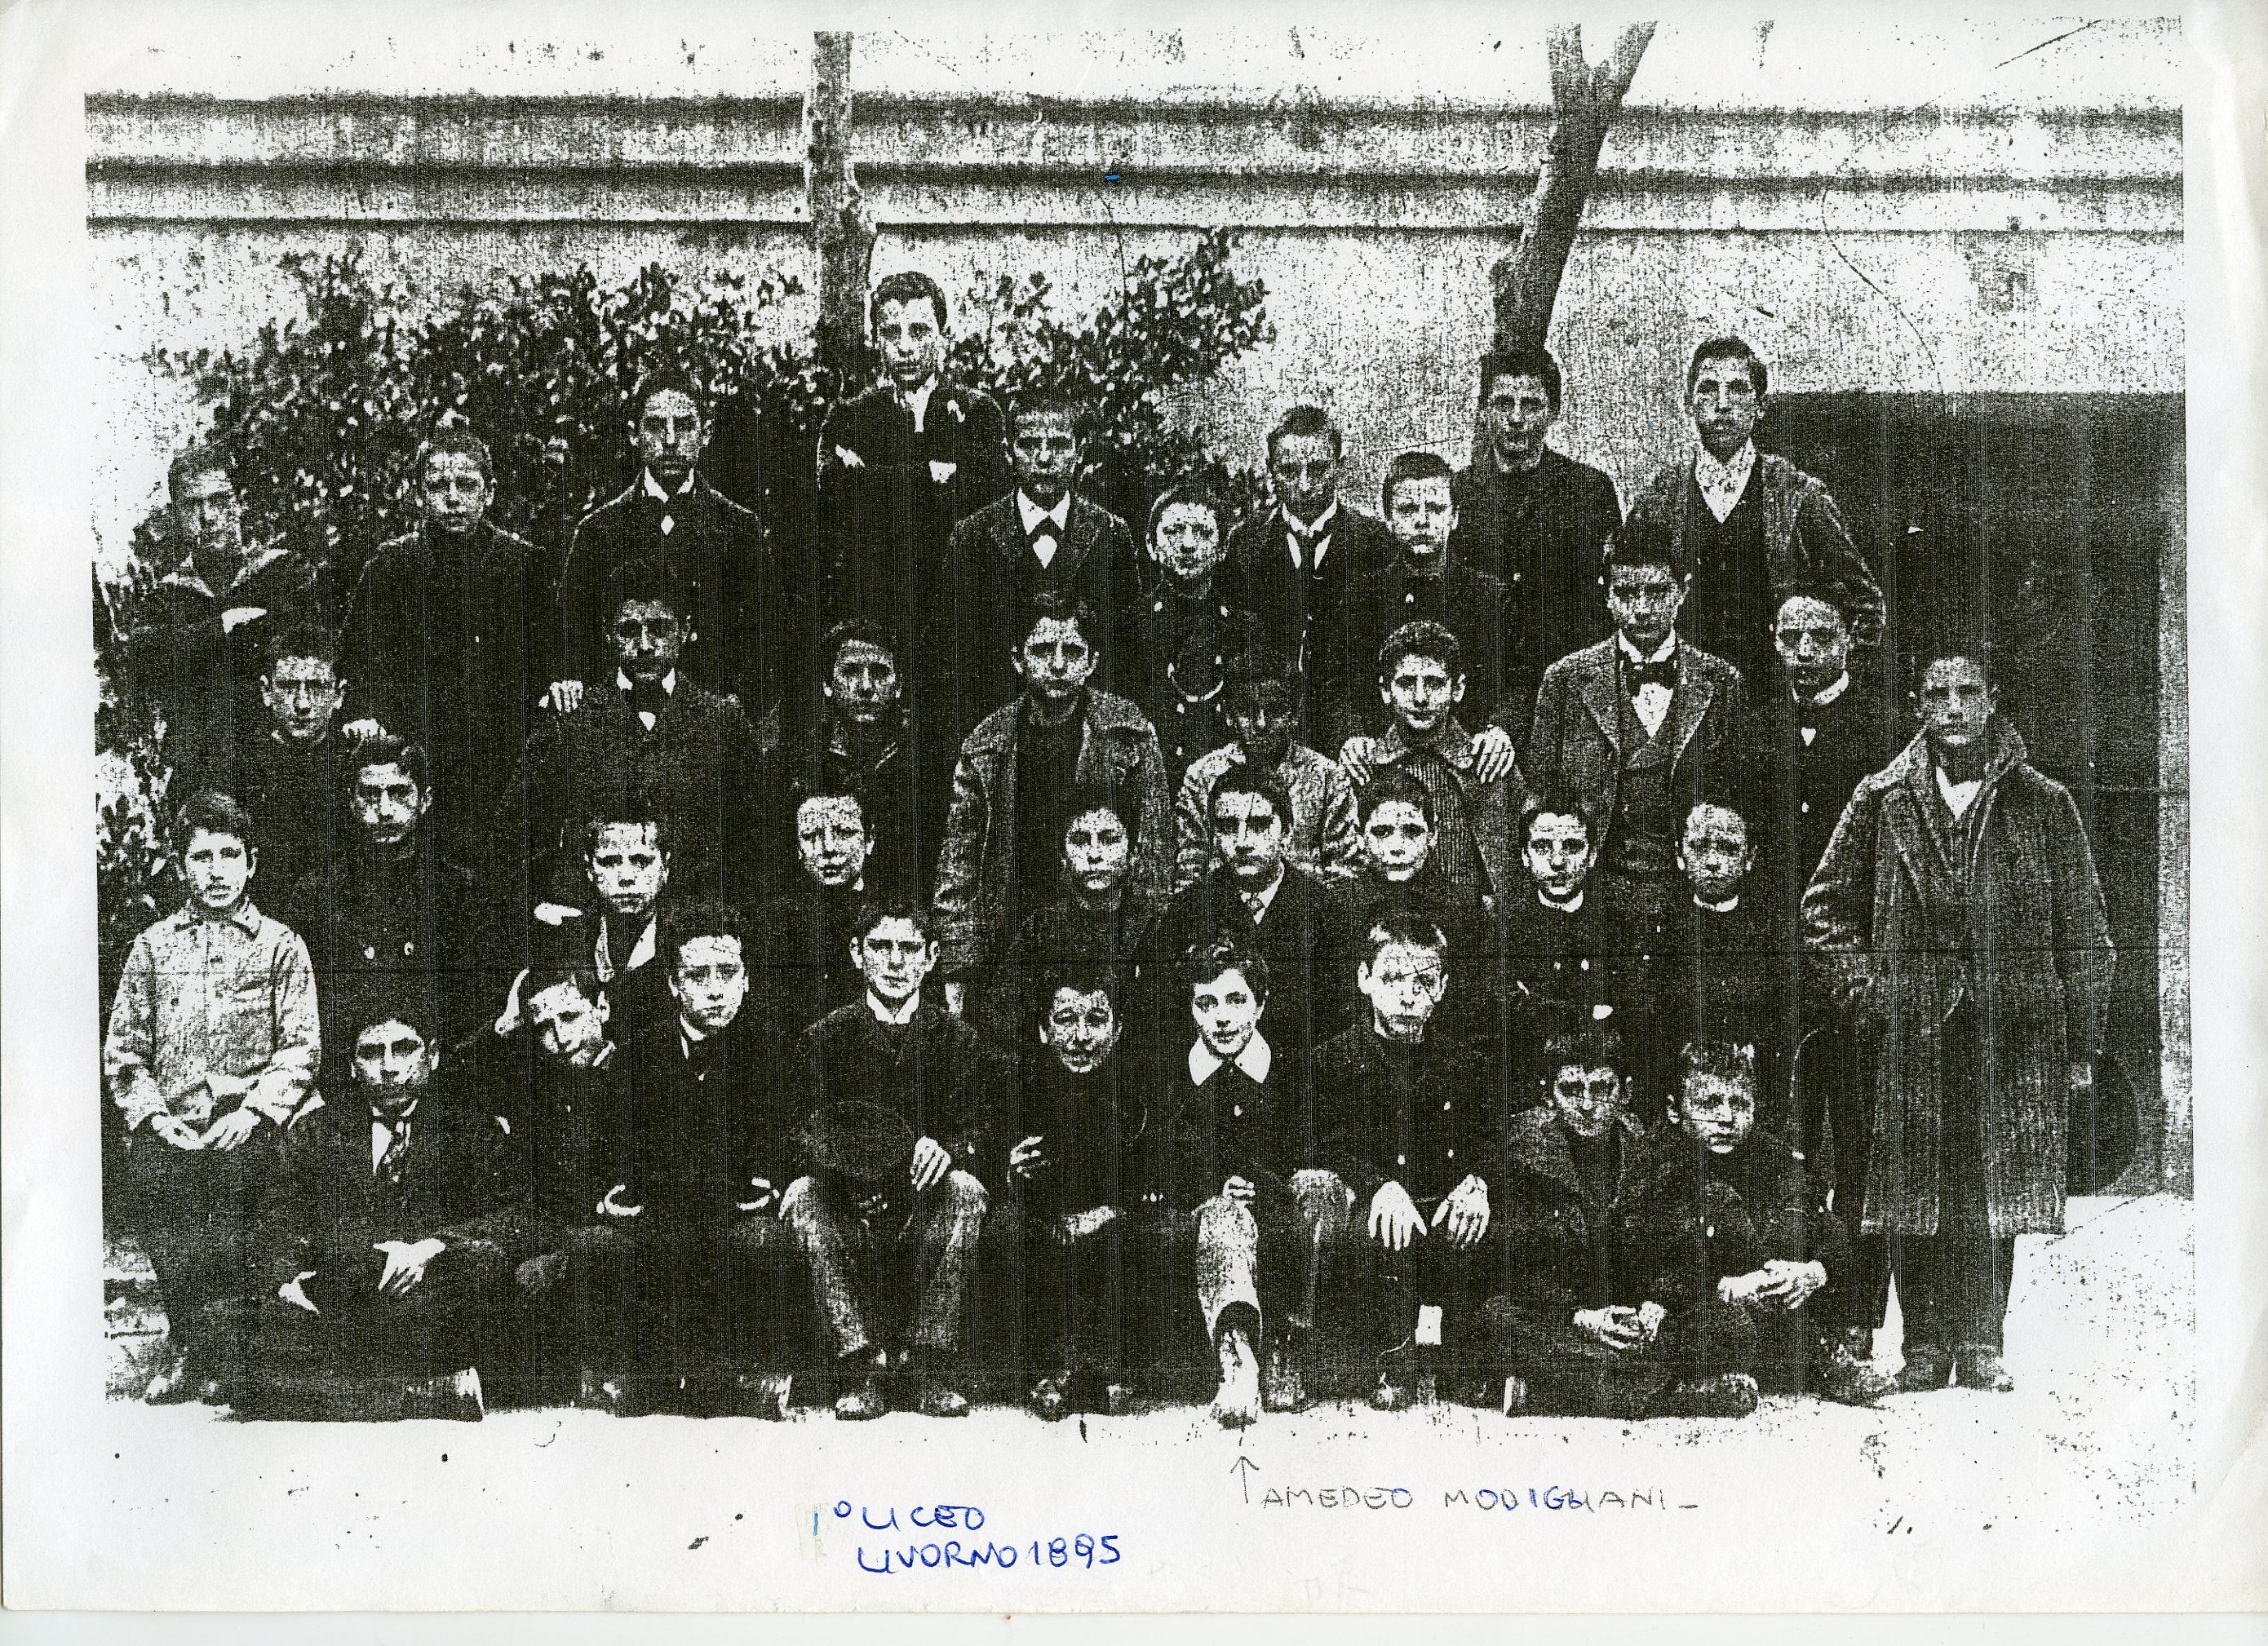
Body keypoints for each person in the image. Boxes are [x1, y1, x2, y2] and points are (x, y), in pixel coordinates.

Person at [1805, 645, 2114, 1394]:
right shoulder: (1881, 797)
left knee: (1990, 1182)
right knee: (1915, 1183)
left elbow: (2087, 931)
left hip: (2013, 1026)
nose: (1951, 707)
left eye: (1966, 691)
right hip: (1909, 1028)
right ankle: (1924, 1345)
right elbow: (1823, 913)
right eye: (1936, 693)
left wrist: (2080, 1043)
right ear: (1916, 705)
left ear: (1993, 698)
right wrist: (1869, 994)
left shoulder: (2044, 802)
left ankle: (1982, 1342)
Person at [104, 791, 321, 1405]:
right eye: (202, 857)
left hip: (255, 1124)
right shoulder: (151, 949)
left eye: (231, 855)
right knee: (156, 1180)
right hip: (174, 1123)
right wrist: (152, 1114)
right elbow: (124, 1051)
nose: (218, 871)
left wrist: (254, 1111)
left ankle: (231, 1349)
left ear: (252, 863)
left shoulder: (282, 945)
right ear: (180, 868)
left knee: (247, 1198)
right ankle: (189, 1344)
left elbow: (302, 1049)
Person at [241, 992, 531, 1421]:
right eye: (372, 1053)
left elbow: (516, 1218)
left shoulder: (470, 1126)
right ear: (353, 1066)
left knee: (477, 1281)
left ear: (432, 1057)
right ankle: (419, 1393)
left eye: (404, 1049)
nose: (390, 1067)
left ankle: (340, 1387)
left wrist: (430, 1247)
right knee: (220, 1325)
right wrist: (287, 1282)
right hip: (342, 1291)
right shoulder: (317, 1131)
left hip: (428, 1292)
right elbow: (273, 1221)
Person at [572, 903, 804, 1414]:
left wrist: (773, 1181)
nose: (715, 989)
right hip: (658, 1200)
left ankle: (736, 1375)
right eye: (698, 976)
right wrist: (608, 1194)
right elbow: (607, 1139)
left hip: (738, 1201)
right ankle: (642, 1373)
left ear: (747, 980)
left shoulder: (776, 1049)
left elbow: (790, 1138)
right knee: (609, 1241)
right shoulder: (637, 1051)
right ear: (675, 985)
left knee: (757, 1239)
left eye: (728, 974)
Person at [782, 901, 994, 1419]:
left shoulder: (959, 1040)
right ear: (858, 955)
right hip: (844, 1191)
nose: (896, 961)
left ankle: (926, 1364)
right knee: (802, 1194)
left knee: (968, 1190)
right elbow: (803, 1127)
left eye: (910, 949)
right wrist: (852, 1172)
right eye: (881, 947)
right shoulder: (824, 1038)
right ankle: (860, 1368)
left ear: (931, 958)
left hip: (927, 1195)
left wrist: (948, 1145)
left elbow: (980, 1125)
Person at [1759, 585, 1899, 1356]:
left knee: (1859, 1141)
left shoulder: (1887, 734)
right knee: (1783, 1140)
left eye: (1819, 636)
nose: (1803, 652)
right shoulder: (1753, 726)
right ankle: (1787, 1321)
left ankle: (1854, 1321)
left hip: (1853, 970)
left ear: (1850, 639)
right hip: (1775, 971)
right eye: (1789, 637)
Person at [1615, 1039, 1895, 1411]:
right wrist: (1722, 1287)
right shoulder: (1652, 1164)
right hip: (1690, 1309)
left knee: (1785, 1269)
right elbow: (1636, 1259)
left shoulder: (1775, 1159)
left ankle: (1818, 1364)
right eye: (1709, 1104)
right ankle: (1711, 1384)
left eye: (1740, 1105)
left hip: (1766, 1304)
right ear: (1674, 1110)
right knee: (1723, 1320)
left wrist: (1813, 1271)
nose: (1727, 1118)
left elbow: (1831, 1235)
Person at [932, 594, 1171, 1015]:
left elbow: (1154, 849)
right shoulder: (987, 744)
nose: (1058, 665)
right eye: (1043, 651)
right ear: (1018, 659)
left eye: (1073, 651)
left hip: (1110, 931)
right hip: (1009, 934)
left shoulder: (1129, 733)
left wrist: (1143, 946)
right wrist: (958, 966)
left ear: (1093, 661)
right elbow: (959, 861)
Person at [1621, 337, 1884, 690]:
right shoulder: (1661, 498)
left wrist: (1836, 689)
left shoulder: (1800, 495)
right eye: (1709, 390)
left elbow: (1864, 603)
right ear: (1689, 403)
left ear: (1760, 406)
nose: (1723, 405)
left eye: (1739, 390)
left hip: (1777, 699)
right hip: (1686, 697)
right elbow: (1625, 593)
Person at [1308, 913, 1493, 1409]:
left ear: (1443, 986)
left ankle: (1469, 1357)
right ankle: (1388, 1351)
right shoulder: (1333, 1059)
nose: (1408, 995)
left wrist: (1477, 1181)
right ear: (1364, 979)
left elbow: (1488, 1135)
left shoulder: (1462, 1060)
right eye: (1393, 979)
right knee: (1382, 1228)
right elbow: (1325, 1141)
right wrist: (1376, 1185)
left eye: (1423, 981)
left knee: (1490, 1227)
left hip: (1443, 1204)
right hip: (1377, 1208)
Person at [338, 427, 550, 861]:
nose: (453, 498)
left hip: (504, 758)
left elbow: (555, 658)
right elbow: (353, 659)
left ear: (489, 493)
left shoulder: (525, 565)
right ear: (419, 494)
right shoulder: (391, 565)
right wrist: (364, 715)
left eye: (467, 485)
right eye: (438, 486)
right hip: (416, 760)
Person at [501, 571, 769, 912]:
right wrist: (537, 904)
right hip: (588, 923)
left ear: (684, 631)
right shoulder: (570, 720)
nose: (644, 645)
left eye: (659, 629)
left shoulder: (723, 721)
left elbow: (756, 837)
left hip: (696, 925)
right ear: (609, 634)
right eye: (629, 630)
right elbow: (513, 830)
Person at [1150, 940, 1338, 1423]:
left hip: (1279, 1203)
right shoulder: (1176, 1074)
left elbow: (1311, 1146)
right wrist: (1214, 1188)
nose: (1222, 1018)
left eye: (1236, 1000)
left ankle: (1288, 1343)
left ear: (1262, 1002)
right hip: (1206, 1213)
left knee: (1316, 1193)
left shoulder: (1293, 1069)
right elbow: (1163, 1156)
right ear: (1191, 1010)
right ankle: (1237, 1359)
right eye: (1206, 1003)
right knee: (1223, 1217)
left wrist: (1265, 1185)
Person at [1526, 532, 1751, 926]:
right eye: (1627, 593)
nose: (1642, 609)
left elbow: (1738, 795)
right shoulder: (1565, 679)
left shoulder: (1723, 681)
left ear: (1682, 592)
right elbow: (1541, 791)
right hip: (1592, 897)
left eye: (1657, 592)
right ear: (1607, 594)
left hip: (1694, 902)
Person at [551, 369, 790, 721]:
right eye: (656, 426)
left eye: (686, 425)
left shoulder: (739, 528)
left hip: (710, 721)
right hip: (619, 724)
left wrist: (738, 709)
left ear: (706, 434)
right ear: (634, 435)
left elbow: (767, 634)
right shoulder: (598, 530)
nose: (671, 439)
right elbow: (574, 634)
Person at [990, 962, 1155, 1418]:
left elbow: (1150, 1165)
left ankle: (1107, 1370)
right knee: (1019, 1231)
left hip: (1113, 1211)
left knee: (1123, 1236)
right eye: (1065, 1020)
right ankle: (1044, 1372)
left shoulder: (1137, 1090)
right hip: (1042, 1213)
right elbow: (990, 1151)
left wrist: (1106, 1210)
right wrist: (1010, 1168)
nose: (1081, 1036)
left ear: (1118, 1029)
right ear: (1044, 1029)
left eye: (1097, 1020)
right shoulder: (1021, 1086)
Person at [935, 388, 1142, 743]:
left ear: (1079, 453)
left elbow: (1127, 653)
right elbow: (950, 656)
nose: (1045, 458)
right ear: (1008, 454)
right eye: (1029, 445)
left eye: (1060, 445)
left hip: (1089, 740)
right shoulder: (971, 536)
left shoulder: (1111, 535)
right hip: (995, 740)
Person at [1480, 1023, 1663, 1418]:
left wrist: (1654, 1303)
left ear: (1625, 1092)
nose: (1586, 1105)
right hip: (1557, 1313)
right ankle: (1668, 1395)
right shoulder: (1523, 1151)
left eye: (1601, 1090)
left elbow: (1660, 1245)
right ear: (1549, 1094)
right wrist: (1582, 1317)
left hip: (1623, 1314)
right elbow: (1514, 1264)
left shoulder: (1645, 1150)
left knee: (1729, 1324)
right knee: (1498, 1319)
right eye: (1571, 1090)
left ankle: (1551, 1393)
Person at [822, 271, 1011, 647]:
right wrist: (930, 475)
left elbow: (984, 500)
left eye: (920, 331)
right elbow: (839, 498)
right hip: (876, 601)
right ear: (876, 340)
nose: (905, 347)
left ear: (943, 336)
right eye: (892, 333)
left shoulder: (977, 412)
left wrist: (876, 478)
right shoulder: (853, 416)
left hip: (961, 602)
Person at [120, 445, 326, 786]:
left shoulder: (284, 572)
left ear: (239, 503)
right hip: (200, 772)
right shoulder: (167, 596)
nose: (207, 517)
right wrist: (222, 627)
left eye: (218, 501)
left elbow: (313, 653)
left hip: (283, 763)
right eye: (192, 506)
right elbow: (146, 660)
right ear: (176, 516)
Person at [286, 733, 484, 1083]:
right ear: (350, 801)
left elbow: (472, 1002)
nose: (384, 809)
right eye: (370, 795)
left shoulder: (458, 889)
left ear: (425, 800)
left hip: (443, 1076)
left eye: (398, 793)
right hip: (345, 1077)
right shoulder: (318, 894)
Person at [1451, 344, 1622, 715]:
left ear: (1554, 411)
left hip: (1567, 681)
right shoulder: (1458, 492)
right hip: (1481, 686)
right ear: (1484, 411)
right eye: (1502, 404)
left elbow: (1611, 593)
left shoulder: (1589, 489)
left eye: (1530, 405)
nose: (1516, 418)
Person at [1226, 407, 1394, 745]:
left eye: (1318, 469)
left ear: (1339, 468)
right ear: (1272, 471)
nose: (1305, 485)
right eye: (1289, 471)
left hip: (1353, 728)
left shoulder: (1376, 541)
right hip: (1269, 726)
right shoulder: (1245, 542)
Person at [1152, 765, 1332, 1077]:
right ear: (1212, 836)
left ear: (1287, 832)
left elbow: (1336, 1021)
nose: (1242, 841)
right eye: (1226, 827)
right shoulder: (1187, 912)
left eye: (1259, 825)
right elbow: (1165, 1019)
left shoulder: (1325, 912)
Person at [1336, 452, 1511, 758]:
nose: (1421, 520)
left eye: (1435, 508)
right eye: (1407, 509)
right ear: (1388, 520)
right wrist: (1352, 735)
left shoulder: (1491, 596)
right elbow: (1335, 684)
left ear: (1454, 517)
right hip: (1382, 758)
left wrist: (1498, 729)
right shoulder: (1360, 597)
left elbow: (1515, 681)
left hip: (1469, 756)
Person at [1340, 620, 1525, 909]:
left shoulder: (1490, 763)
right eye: (1406, 683)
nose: (1421, 698)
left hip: (1477, 928)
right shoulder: (1364, 766)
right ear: (1385, 691)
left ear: (1458, 689)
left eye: (1434, 683)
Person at [1318, 768, 1493, 1050]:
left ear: (1433, 835)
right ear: (1360, 837)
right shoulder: (1337, 906)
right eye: (1382, 832)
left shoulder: (1463, 908)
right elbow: (1332, 1006)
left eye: (1412, 832)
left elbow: (1471, 1010)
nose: (1397, 846)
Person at [1172, 646, 1360, 893]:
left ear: (1293, 713)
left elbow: (1345, 870)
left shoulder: (1327, 776)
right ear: (1229, 715)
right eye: (1248, 712)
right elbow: (1190, 867)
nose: (1261, 724)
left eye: (1274, 711)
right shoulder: (1203, 776)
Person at [981, 790, 1157, 1046]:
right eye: (1081, 840)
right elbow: (1001, 1020)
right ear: (1063, 857)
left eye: (1109, 840)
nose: (1095, 854)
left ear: (1133, 853)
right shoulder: (1040, 929)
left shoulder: (1152, 928)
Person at [1119, 480, 1260, 778]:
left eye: (1203, 533)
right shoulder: (1127, 625)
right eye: (1173, 532)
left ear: (1222, 549)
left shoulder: (1245, 628)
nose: (1188, 545)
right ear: (1151, 544)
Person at [781, 619, 929, 900]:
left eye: (879, 673)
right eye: (850, 672)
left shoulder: (928, 759)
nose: (865, 686)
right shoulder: (796, 758)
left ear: (899, 686)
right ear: (827, 685)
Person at [228, 624, 358, 897]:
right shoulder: (239, 764)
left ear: (339, 695)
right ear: (267, 691)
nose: (302, 704)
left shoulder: (355, 761)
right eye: (288, 687)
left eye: (317, 687)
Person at [751, 788, 883, 1042]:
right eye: (811, 836)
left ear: (870, 840)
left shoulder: (894, 918)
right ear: (798, 849)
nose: (828, 848)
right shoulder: (772, 924)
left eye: (844, 833)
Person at [1499, 793, 1618, 1060]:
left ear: (1593, 856)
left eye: (1572, 847)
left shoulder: (1617, 925)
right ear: (1525, 857)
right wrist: (1586, 1011)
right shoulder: (1505, 927)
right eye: (1542, 847)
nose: (1557, 862)